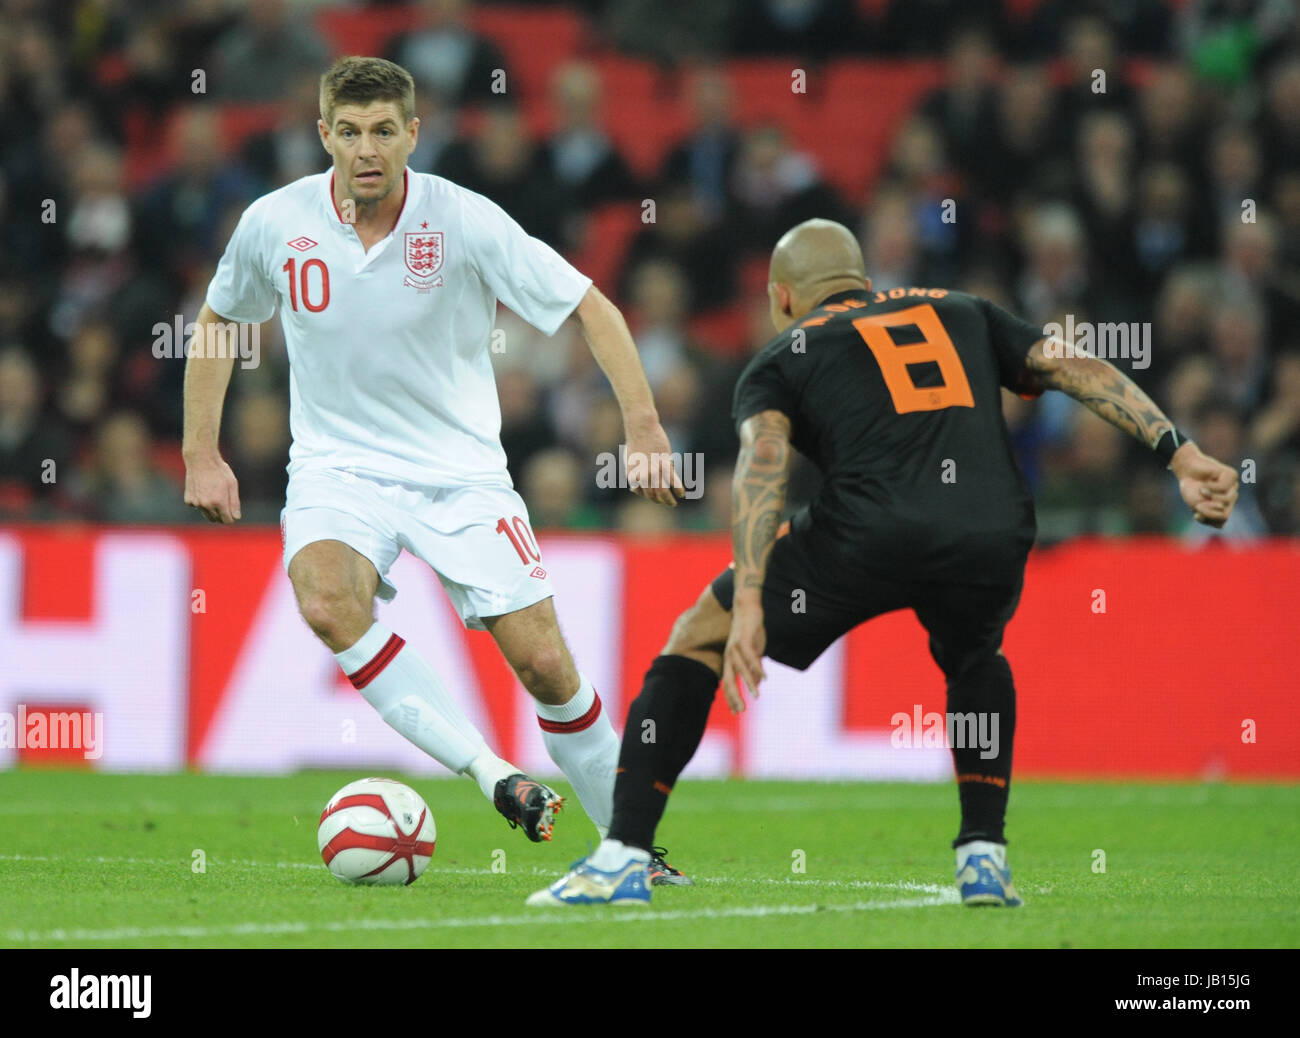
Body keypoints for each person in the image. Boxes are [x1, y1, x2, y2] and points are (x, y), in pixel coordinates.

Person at [530, 218, 1239, 907]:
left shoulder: (783, 355)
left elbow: (764, 465)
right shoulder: (964, 310)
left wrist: (748, 599)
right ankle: (983, 854)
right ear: (865, 282)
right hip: (990, 527)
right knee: (973, 653)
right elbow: (1070, 365)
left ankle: (622, 855)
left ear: (782, 298)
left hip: (869, 530)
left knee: (697, 634)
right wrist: (1179, 451)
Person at [183, 57, 687, 864]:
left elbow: (589, 304)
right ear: (324, 136)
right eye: (348, 133)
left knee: (546, 663)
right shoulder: (276, 222)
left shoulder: (463, 219)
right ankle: (494, 775)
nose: (367, 149)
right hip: (336, 469)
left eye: (384, 130)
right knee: (324, 600)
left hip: (460, 475)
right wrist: (201, 451)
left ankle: (634, 848)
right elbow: (216, 321)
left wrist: (645, 428)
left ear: (414, 134)